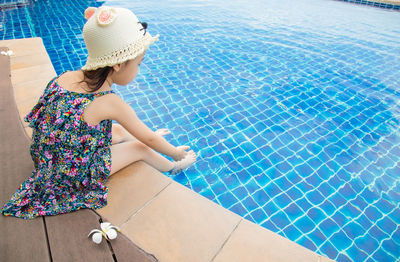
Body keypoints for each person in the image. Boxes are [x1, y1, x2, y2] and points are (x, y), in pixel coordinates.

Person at [1, 6, 196, 220]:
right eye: (138, 64)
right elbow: (146, 137)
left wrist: (153, 138)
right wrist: (175, 151)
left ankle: (162, 151)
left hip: (47, 158)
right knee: (140, 147)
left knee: (120, 130)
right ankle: (173, 166)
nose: (139, 70)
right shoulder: (108, 101)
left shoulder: (65, 77)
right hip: (70, 174)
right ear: (119, 65)